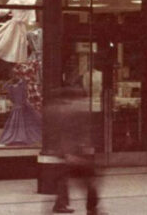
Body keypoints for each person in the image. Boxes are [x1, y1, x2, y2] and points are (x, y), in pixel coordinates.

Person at [50, 79, 101, 214]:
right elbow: (71, 133)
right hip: (73, 153)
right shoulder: (73, 111)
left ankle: (61, 204)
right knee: (88, 181)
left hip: (70, 152)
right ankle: (92, 209)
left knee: (66, 179)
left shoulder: (64, 110)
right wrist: (73, 152)